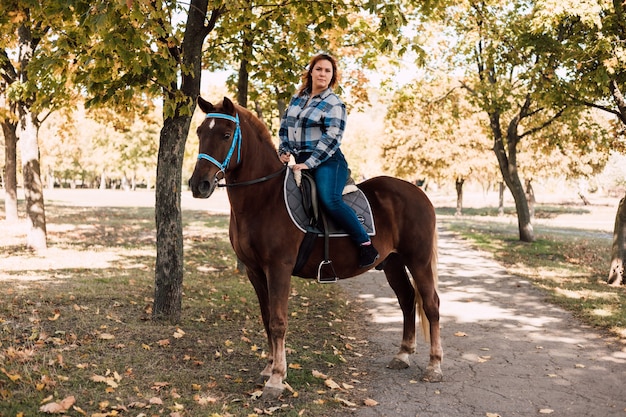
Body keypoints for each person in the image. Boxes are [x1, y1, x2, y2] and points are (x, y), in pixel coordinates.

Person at [278, 53, 379, 268]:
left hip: (328, 160)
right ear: (311, 72)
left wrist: (309, 163)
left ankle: (365, 244)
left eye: (327, 71)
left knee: (329, 199)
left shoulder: (334, 104)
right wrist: (284, 150)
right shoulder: (297, 99)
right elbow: (285, 127)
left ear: (332, 76)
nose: (322, 73)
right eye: (319, 69)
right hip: (300, 160)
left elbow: (332, 138)